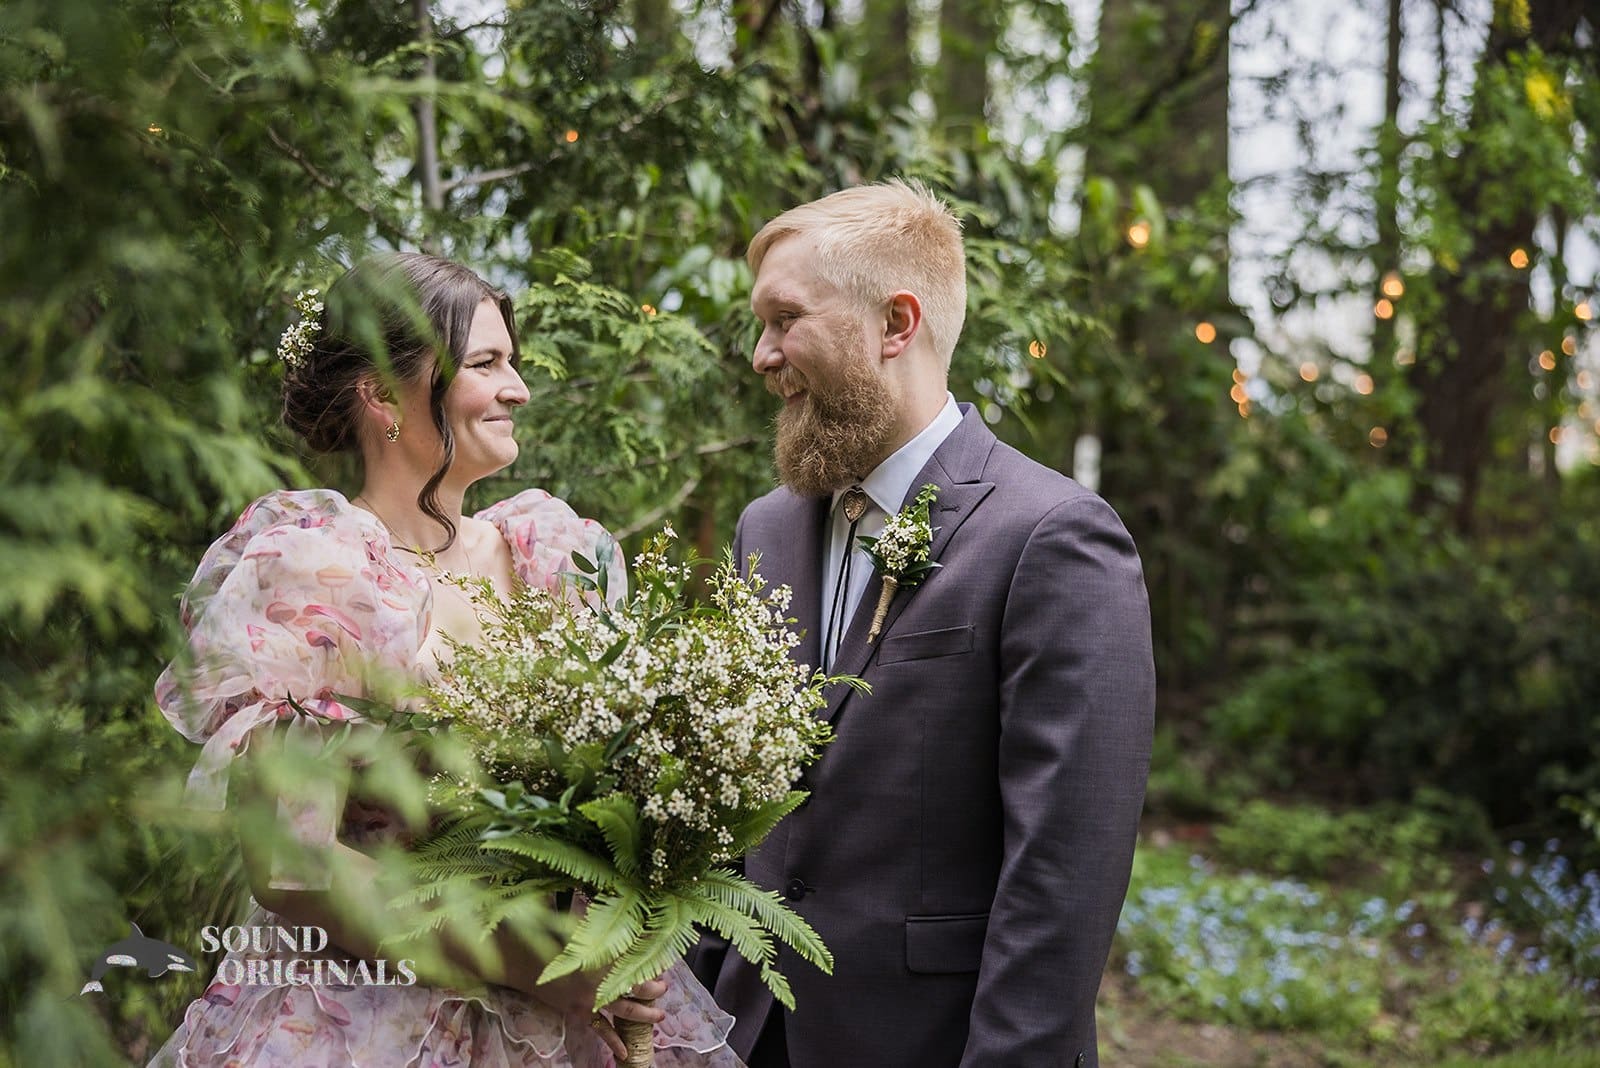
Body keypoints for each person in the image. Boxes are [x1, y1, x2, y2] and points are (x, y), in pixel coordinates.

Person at [150, 252, 741, 1067]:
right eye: (485, 364)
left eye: (513, 363)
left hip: (574, 1020)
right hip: (372, 1013)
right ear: (383, 395)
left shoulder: (552, 559)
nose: (517, 389)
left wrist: (615, 931)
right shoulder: (319, 575)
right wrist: (534, 966)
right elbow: (291, 862)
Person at [689, 181, 1156, 1067]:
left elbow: (1064, 875)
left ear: (896, 324)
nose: (761, 355)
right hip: (745, 1036)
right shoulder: (765, 529)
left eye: (786, 320)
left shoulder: (1053, 538)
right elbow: (730, 811)